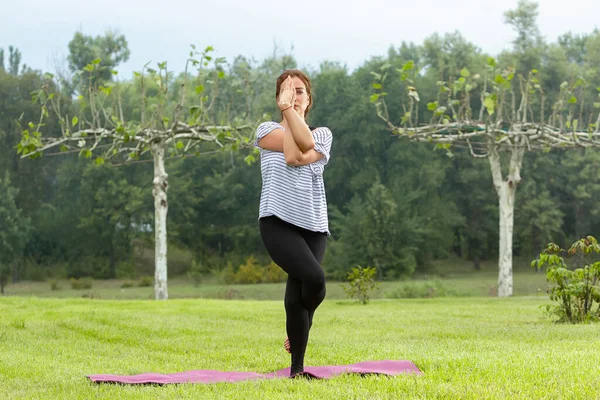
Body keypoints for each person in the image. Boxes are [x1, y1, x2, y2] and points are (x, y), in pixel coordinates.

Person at [254, 69, 333, 377]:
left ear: (309, 99)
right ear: (279, 99)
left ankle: (296, 370)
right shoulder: (264, 131)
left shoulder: (323, 135)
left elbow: (301, 152)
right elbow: (292, 155)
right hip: (277, 223)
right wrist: (287, 113)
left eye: (300, 91)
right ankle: (302, 330)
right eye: (289, 91)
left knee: (296, 298)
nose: (295, 96)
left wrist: (291, 115)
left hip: (313, 226)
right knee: (315, 280)